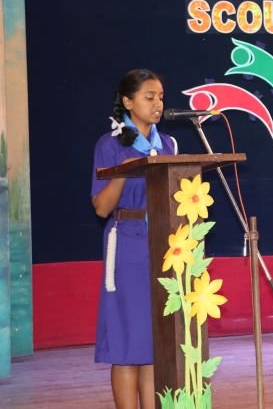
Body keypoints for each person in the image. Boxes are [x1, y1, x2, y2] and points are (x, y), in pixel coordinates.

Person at [91, 69, 177, 409]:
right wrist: (125, 172)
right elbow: (101, 207)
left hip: (164, 246)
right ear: (128, 102)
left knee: (153, 344)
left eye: (161, 98)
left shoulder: (168, 144)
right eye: (149, 97)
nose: (158, 104)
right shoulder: (110, 144)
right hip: (127, 244)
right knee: (128, 343)